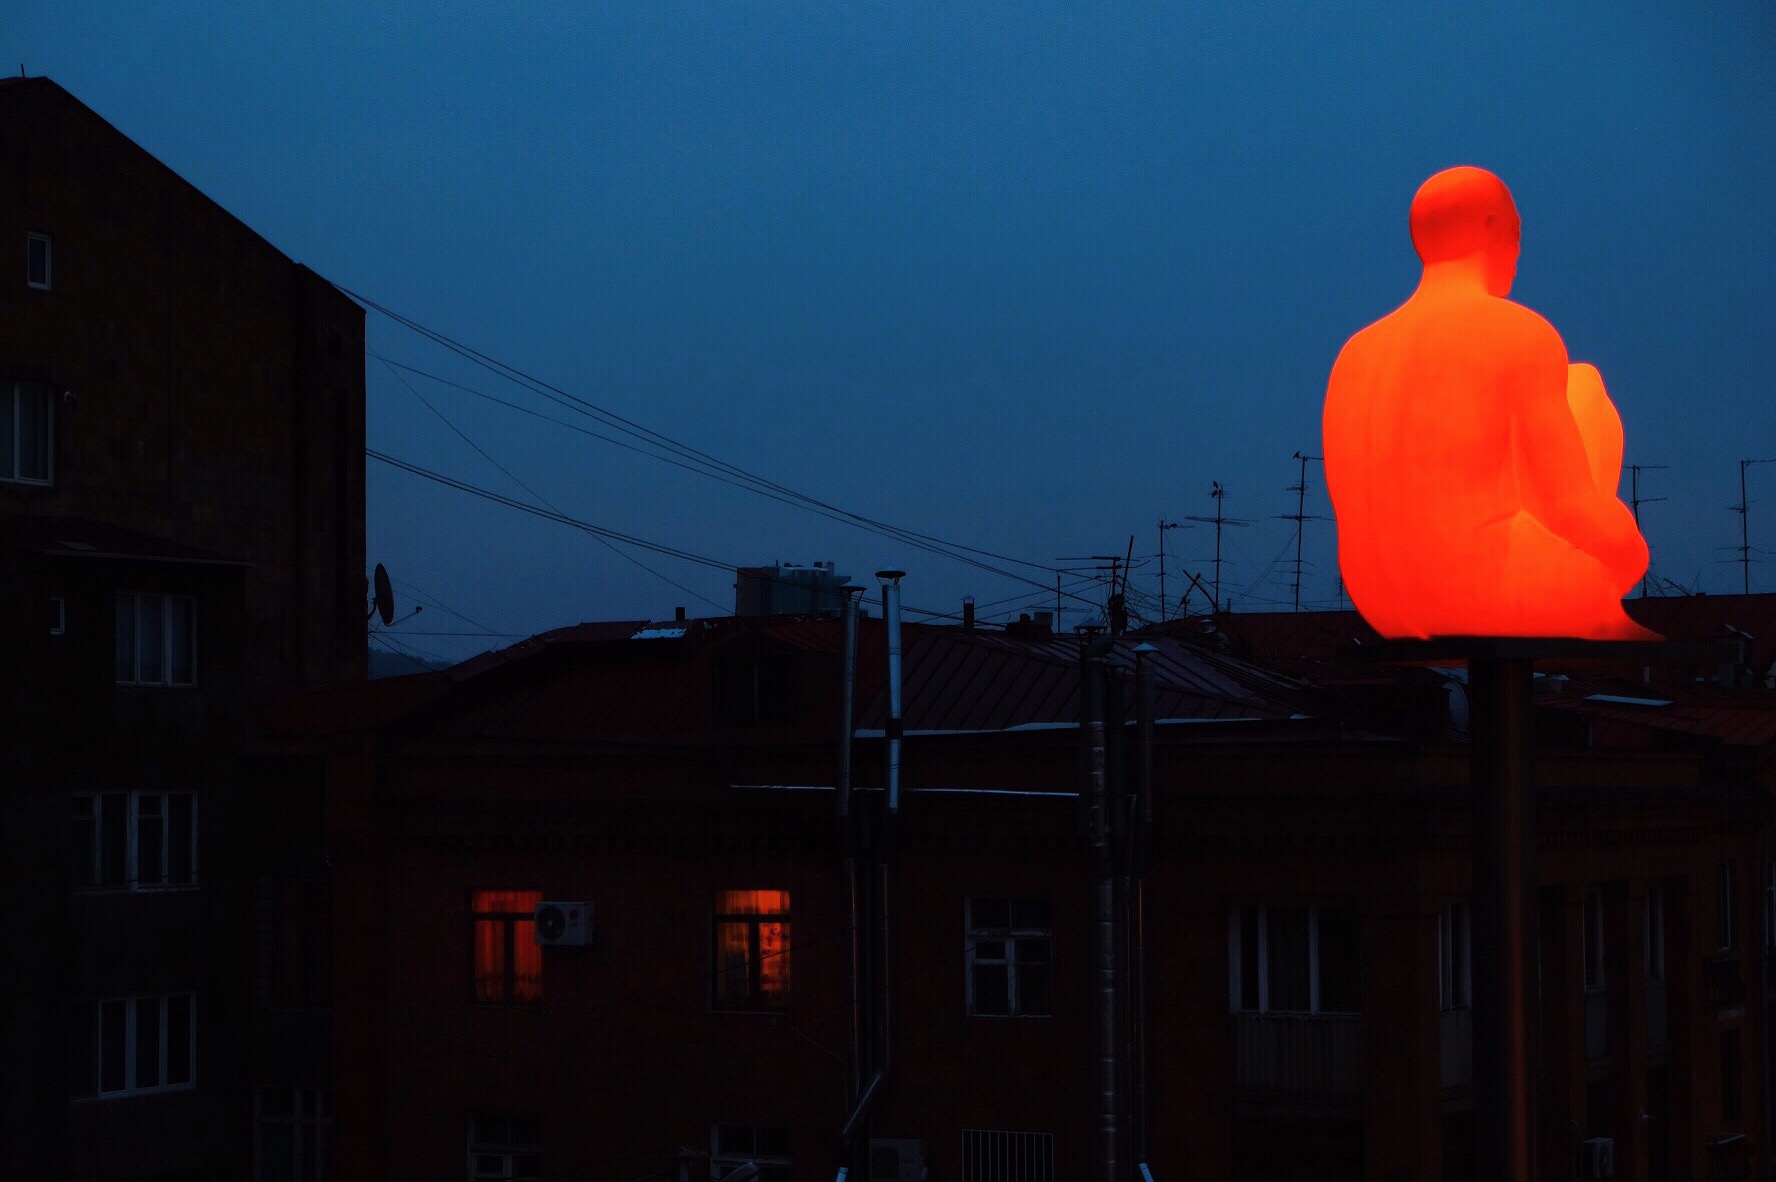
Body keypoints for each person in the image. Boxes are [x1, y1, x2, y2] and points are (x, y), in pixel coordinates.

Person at [1322, 166, 1654, 640]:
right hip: (1495, 590)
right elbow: (1567, 507)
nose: (1518, 254)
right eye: (1516, 234)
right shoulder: (1519, 333)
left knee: (1573, 383)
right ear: (1491, 227)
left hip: (1380, 604)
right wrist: (1630, 555)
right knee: (1586, 386)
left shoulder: (1355, 353)